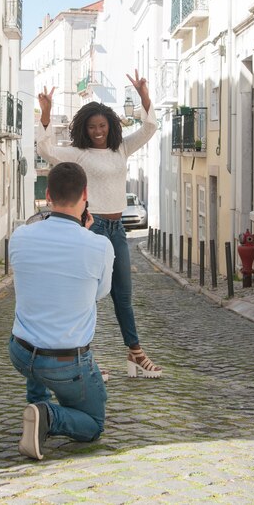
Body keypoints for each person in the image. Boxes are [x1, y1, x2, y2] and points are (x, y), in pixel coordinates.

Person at [36, 69, 162, 379]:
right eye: (92, 126)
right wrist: (46, 115)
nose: (97, 131)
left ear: (110, 126)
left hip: (117, 230)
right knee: (86, 297)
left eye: (102, 125)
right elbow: (46, 150)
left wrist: (145, 96)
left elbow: (148, 128)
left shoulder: (121, 149)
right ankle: (85, 357)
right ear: (84, 128)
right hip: (90, 228)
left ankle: (135, 353)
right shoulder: (77, 154)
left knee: (123, 294)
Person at [9, 162, 115, 460]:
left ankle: (36, 402)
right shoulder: (99, 245)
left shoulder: (20, 236)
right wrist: (86, 234)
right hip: (66, 364)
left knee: (40, 315)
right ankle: (47, 416)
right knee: (93, 423)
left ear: (47, 195)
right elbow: (100, 293)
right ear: (85, 194)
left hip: (20, 352)